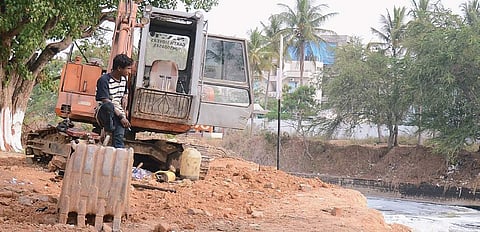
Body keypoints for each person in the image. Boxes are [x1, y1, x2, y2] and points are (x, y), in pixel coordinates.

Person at [95, 54, 133, 148]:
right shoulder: (104, 80)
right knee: (109, 106)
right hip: (105, 112)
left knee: (119, 139)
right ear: (119, 68)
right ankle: (109, 128)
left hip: (118, 112)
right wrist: (121, 117)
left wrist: (124, 115)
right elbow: (106, 101)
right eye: (128, 69)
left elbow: (123, 98)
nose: (129, 71)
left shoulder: (124, 80)